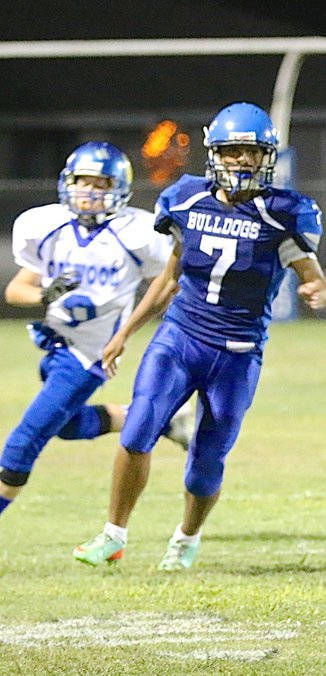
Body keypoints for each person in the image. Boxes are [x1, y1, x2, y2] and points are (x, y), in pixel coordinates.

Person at [73, 102, 326, 570]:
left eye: (251, 153)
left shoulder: (284, 213)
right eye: (232, 151)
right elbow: (170, 279)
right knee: (136, 432)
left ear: (267, 157)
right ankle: (113, 534)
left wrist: (317, 286)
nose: (242, 161)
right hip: (180, 339)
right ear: (215, 154)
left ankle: (187, 538)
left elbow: (312, 274)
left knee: (207, 460)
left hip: (236, 352)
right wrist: (125, 333)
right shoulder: (187, 198)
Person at [1, 142, 190, 520]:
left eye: (100, 183)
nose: (88, 192)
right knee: (66, 425)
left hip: (89, 357)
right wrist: (45, 294)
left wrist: (134, 328)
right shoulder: (48, 225)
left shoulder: (136, 232)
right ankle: (158, 419)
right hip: (55, 347)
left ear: (118, 187)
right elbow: (15, 290)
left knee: (24, 442)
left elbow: (172, 280)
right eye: (81, 182)